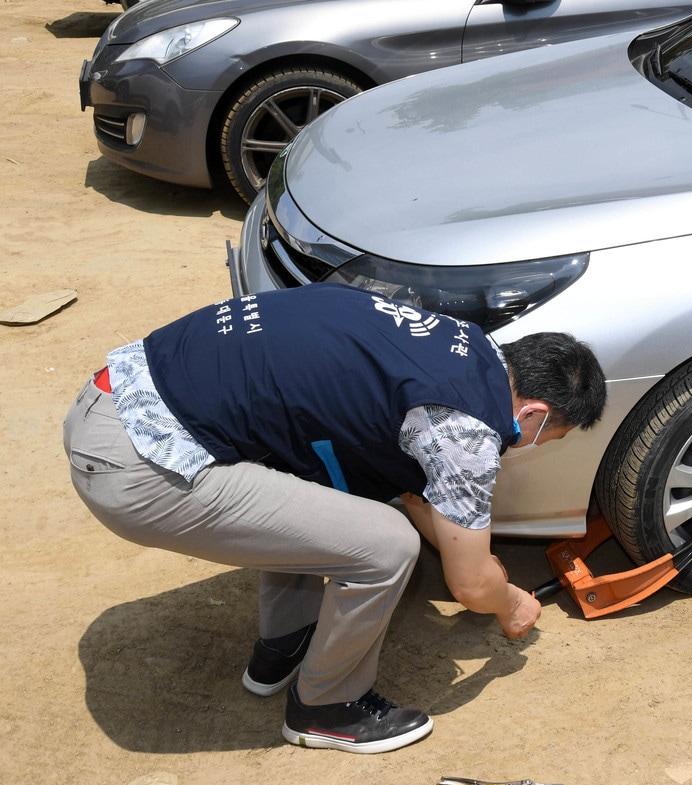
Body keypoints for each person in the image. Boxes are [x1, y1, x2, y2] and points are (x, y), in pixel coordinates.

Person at [62, 282, 606, 753]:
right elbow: (469, 585)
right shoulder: (465, 430)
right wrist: (510, 600)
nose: (531, 446)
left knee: (318, 488)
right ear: (532, 413)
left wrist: (464, 540)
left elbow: (418, 497)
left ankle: (285, 644)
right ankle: (326, 706)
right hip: (138, 465)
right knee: (388, 546)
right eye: (546, 438)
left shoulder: (450, 341)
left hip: (116, 392)